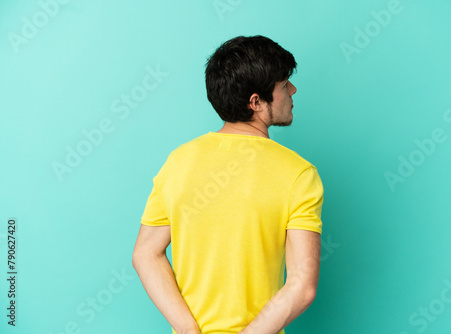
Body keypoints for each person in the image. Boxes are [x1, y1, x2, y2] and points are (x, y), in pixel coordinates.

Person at [132, 35, 324, 334]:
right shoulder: (298, 173)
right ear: (256, 102)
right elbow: (302, 285)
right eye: (284, 84)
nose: (292, 90)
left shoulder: (178, 161)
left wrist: (186, 328)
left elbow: (146, 253)